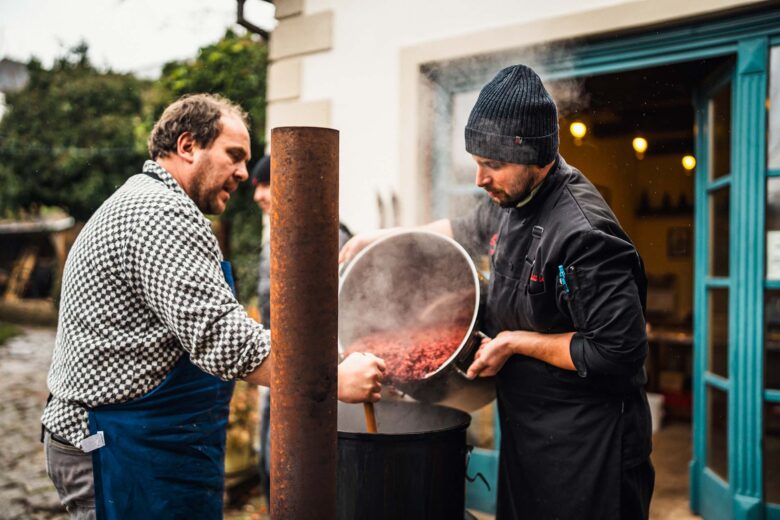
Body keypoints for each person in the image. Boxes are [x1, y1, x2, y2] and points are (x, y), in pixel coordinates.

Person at [41, 93, 385, 520]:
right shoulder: (160, 213)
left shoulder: (152, 203)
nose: (244, 173)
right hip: (115, 447)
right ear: (188, 146)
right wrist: (331, 378)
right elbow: (225, 340)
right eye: (234, 155)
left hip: (148, 440)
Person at [340, 65, 654, 519]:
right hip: (531, 428)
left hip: (590, 444)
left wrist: (513, 342)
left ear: (536, 156)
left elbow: (616, 351)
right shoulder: (513, 199)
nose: (479, 179)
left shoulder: (584, 235)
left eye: (493, 165)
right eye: (476, 162)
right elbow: (463, 229)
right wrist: (391, 237)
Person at [250, 154, 355, 500]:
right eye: (257, 186)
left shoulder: (331, 238)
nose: (258, 196)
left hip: (317, 375)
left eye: (266, 185)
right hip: (276, 367)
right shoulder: (272, 243)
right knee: (273, 461)